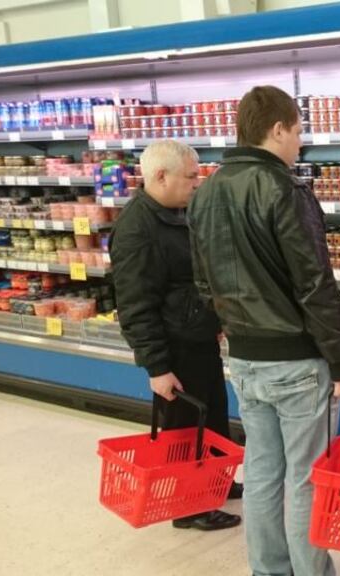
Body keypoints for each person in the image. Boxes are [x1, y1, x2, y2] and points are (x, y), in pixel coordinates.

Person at [188, 85, 340, 576]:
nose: (301, 142)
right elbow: (314, 284)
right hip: (297, 362)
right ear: (277, 129)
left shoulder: (208, 189)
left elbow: (202, 278)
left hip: (242, 358)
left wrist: (227, 326)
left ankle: (269, 571)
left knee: (262, 471)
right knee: (306, 478)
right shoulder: (285, 189)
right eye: (299, 131)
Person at [110, 140, 242, 532]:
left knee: (212, 416)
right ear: (160, 175)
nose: (197, 183)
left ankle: (213, 483)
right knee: (186, 428)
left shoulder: (174, 212)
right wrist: (157, 367)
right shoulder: (137, 229)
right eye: (190, 177)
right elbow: (135, 306)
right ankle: (190, 507)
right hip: (175, 348)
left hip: (196, 336)